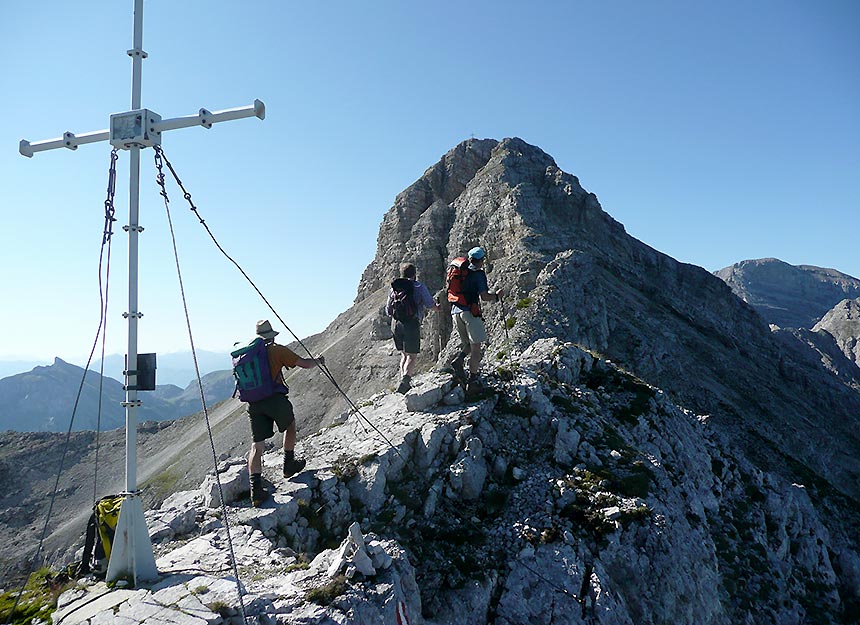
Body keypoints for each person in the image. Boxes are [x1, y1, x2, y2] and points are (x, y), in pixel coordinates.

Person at [246, 319, 324, 507]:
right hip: (274, 398)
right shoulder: (277, 350)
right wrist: (319, 361)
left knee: (257, 445)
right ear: (271, 335)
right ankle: (288, 464)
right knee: (290, 426)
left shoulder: (248, 354)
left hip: (254, 403)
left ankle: (255, 491)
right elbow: (304, 364)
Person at [450, 247, 504, 394]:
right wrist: (497, 296)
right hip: (469, 312)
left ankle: (459, 360)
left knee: (467, 344)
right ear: (481, 260)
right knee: (476, 348)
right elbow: (485, 297)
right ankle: (472, 381)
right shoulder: (478, 274)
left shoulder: (459, 271)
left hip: (455, 312)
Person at [386, 263, 440, 394]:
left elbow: (388, 310)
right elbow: (429, 304)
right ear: (414, 274)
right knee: (412, 356)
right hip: (411, 323)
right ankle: (405, 382)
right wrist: (438, 307)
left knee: (403, 355)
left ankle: (402, 382)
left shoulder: (394, 288)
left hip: (396, 324)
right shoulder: (418, 286)